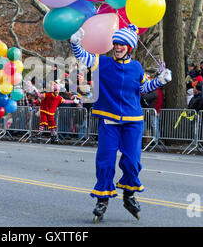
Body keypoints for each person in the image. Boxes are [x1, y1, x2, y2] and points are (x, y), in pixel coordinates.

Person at [70, 25, 172, 222]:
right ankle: (102, 199)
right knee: (105, 160)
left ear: (129, 47)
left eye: (122, 44)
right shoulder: (102, 62)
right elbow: (82, 55)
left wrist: (160, 80)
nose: (118, 47)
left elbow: (143, 87)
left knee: (132, 161)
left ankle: (128, 195)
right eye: (116, 43)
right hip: (109, 121)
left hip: (133, 121)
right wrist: (75, 42)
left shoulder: (136, 67)